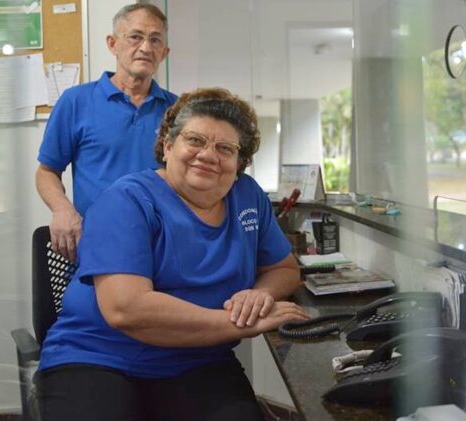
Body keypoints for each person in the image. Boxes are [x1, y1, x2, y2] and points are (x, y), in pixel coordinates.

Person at [35, 87, 310, 421]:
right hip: (98, 356)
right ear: (168, 146)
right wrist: (238, 324)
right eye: (194, 140)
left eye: (225, 148)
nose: (209, 155)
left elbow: (284, 267)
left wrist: (259, 295)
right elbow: (127, 309)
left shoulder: (248, 197)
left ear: (240, 163)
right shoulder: (127, 201)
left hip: (197, 359)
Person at [36, 3, 177, 261]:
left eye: (155, 40)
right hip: (96, 247)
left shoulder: (178, 110)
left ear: (164, 52)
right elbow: (47, 172)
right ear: (112, 43)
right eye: (135, 37)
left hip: (162, 249)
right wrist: (62, 210)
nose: (146, 48)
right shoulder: (76, 101)